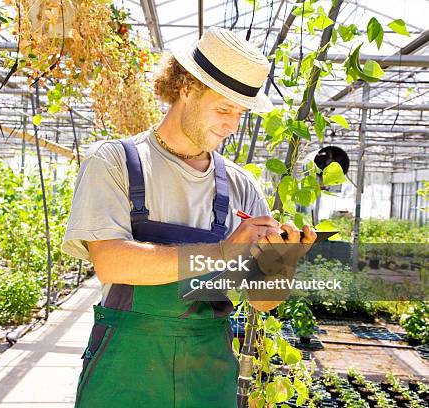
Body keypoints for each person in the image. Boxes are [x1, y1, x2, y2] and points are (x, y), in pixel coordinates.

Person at [62, 27, 317, 408]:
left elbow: (261, 301)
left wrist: (281, 262)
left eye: (240, 113)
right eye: (223, 109)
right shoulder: (116, 162)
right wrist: (224, 250)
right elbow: (111, 262)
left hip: (207, 376)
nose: (232, 125)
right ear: (186, 88)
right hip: (125, 376)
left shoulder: (240, 186)